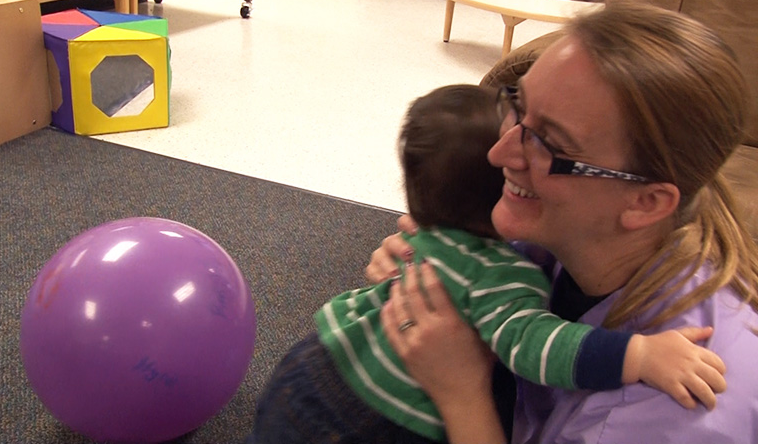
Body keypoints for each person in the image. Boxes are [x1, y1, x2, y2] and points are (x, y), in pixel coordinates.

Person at [245, 85, 725, 443]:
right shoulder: (500, 274)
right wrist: (638, 355)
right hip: (371, 416)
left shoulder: (431, 235)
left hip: (314, 361)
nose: (510, 149)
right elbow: (535, 344)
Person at [369, 2, 758, 444]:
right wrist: (431, 276)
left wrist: (461, 392)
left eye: (549, 142)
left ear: (647, 201)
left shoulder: (666, 417)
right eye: (517, 104)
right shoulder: (576, 237)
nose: (499, 154)